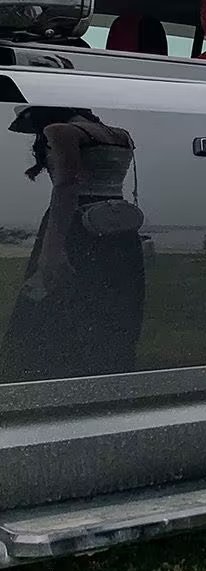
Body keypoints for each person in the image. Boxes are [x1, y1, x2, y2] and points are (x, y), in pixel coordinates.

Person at [1, 106, 144, 382]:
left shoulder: (60, 131)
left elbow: (67, 184)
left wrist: (52, 249)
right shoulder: (121, 135)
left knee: (56, 302)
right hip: (117, 226)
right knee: (112, 307)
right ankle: (109, 372)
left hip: (77, 225)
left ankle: (46, 374)